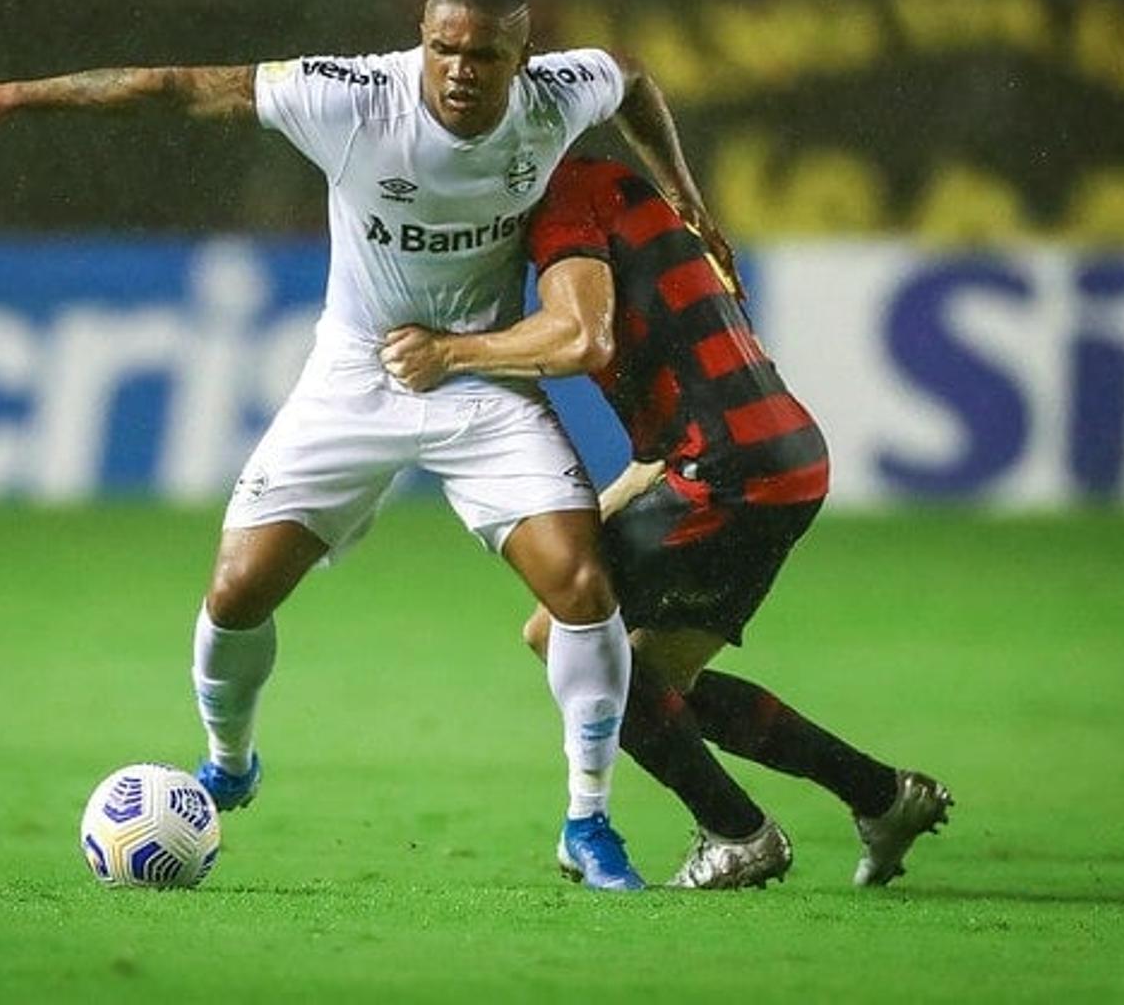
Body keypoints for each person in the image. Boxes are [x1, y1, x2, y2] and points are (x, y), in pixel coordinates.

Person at [0, 0, 731, 892]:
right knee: (237, 591)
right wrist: (9, 97)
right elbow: (171, 86)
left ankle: (588, 821)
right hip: (354, 378)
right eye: (442, 48)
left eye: (483, 56)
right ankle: (230, 760)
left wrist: (681, 189)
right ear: (422, 38)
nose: (457, 70)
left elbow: (635, 74)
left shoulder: (555, 98)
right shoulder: (350, 99)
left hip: (480, 377)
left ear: (520, 59)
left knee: (580, 584)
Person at [379, 152, 953, 890]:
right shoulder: (625, 192)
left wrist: (450, 352)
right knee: (660, 677)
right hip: (786, 458)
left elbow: (579, 339)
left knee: (564, 638)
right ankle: (882, 795)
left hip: (725, 468)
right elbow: (654, 450)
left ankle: (738, 833)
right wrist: (575, 528)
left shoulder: (564, 202)